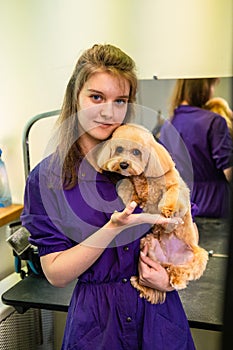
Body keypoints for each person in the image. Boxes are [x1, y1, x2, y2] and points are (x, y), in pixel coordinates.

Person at [21, 44, 196, 350]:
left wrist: (169, 280)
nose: (107, 112)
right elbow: (56, 274)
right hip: (97, 325)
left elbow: (182, 230)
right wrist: (112, 229)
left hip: (157, 312)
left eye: (120, 101)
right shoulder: (47, 180)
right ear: (76, 96)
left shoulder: (145, 158)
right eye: (96, 97)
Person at [159, 78, 233, 219]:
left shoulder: (168, 125)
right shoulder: (214, 121)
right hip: (215, 204)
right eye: (212, 86)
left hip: (183, 206)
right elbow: (228, 170)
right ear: (203, 86)